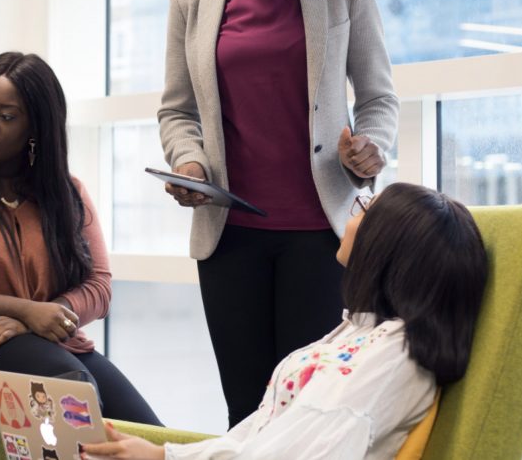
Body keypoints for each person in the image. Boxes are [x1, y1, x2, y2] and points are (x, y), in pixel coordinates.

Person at [157, 0, 399, 426]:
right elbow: (176, 110)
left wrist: (372, 148)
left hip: (321, 235)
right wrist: (189, 163)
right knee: (245, 407)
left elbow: (378, 97)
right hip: (228, 235)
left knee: (309, 409)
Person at [82, 183, 489, 459]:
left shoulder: (395, 356)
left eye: (365, 209)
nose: (352, 214)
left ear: (387, 245)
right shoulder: (359, 330)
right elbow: (264, 431)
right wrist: (162, 454)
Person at [0, 51, 162, 433]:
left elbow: (99, 286)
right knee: (68, 385)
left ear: (36, 128)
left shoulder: (68, 193)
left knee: (152, 435)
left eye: (6, 116)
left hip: (55, 346)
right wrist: (27, 310)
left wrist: (34, 319)